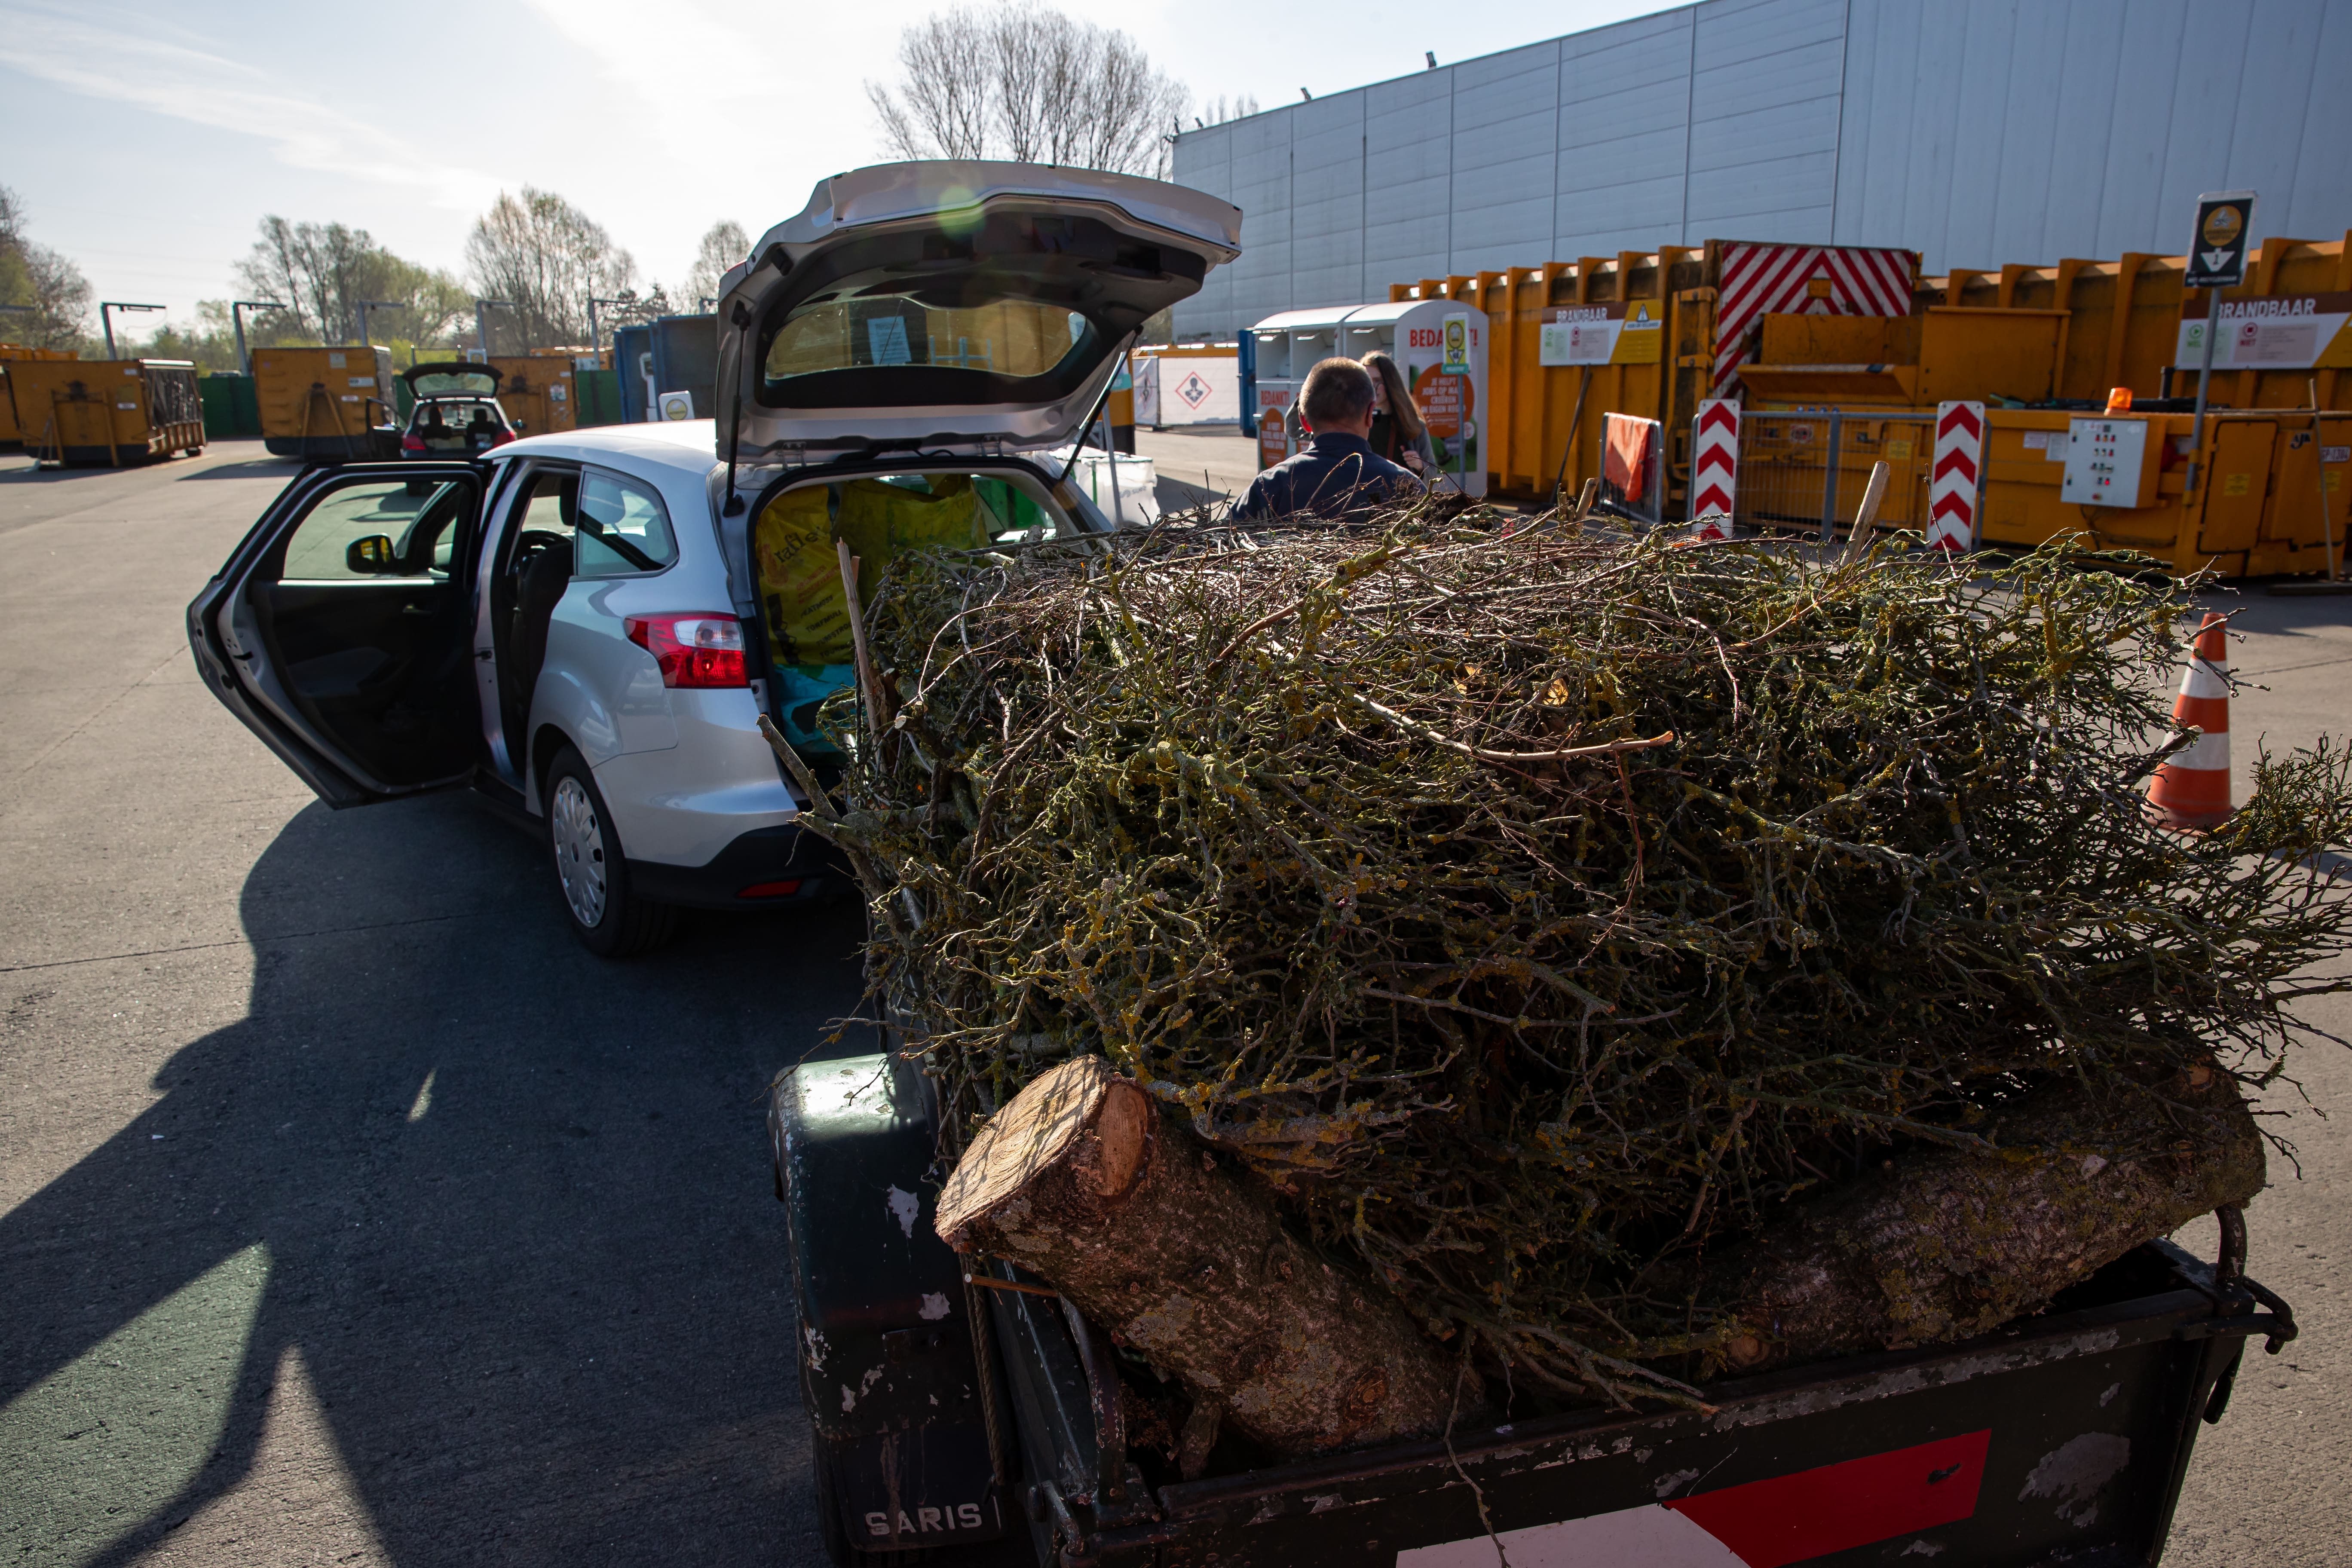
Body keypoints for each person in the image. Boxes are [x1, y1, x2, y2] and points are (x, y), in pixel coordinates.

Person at [1231, 358, 1418, 522]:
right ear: (1370, 414)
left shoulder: (1271, 485)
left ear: (1304, 421)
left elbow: (1221, 540)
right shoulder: (1406, 486)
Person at [1361, 350, 1436, 481]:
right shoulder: (1356, 424)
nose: (1372, 387)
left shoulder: (1413, 426)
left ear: (1390, 383)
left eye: (1378, 381)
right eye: (1367, 380)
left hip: (1401, 498)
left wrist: (1420, 466)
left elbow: (1433, 474)